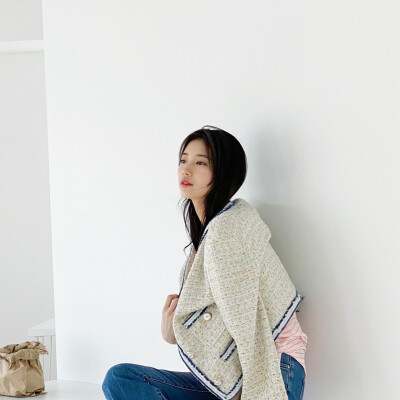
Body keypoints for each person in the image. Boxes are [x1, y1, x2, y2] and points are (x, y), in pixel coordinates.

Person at [102, 125, 307, 400]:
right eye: (183, 160)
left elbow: (247, 324)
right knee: (122, 379)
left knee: (121, 379)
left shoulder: (226, 231)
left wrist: (245, 394)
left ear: (223, 173)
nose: (186, 170)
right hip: (237, 373)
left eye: (200, 163)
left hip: (270, 368)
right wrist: (174, 332)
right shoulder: (207, 237)